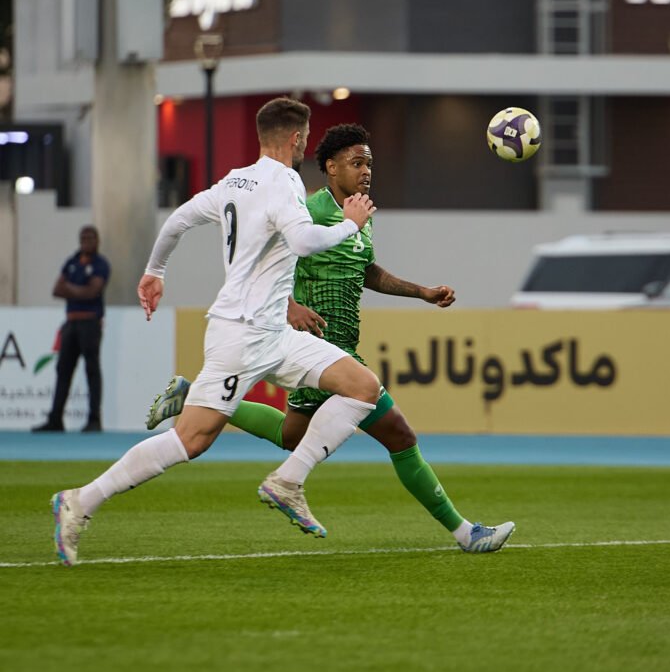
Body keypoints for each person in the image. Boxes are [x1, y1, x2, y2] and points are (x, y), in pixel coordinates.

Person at [148, 124, 515, 554]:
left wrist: (421, 292)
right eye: (357, 163)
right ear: (331, 167)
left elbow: (366, 269)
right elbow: (261, 263)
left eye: (369, 163)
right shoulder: (309, 210)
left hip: (335, 349)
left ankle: (192, 396)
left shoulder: (359, 214)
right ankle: (466, 533)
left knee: (290, 435)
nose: (366, 171)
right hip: (320, 351)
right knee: (400, 436)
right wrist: (289, 305)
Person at [50, 97, 381, 567]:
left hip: (274, 332)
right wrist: (350, 224)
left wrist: (155, 271)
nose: (306, 145)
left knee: (362, 387)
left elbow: (178, 220)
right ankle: (80, 500)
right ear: (295, 138)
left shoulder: (234, 181)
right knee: (191, 440)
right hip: (242, 336)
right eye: (305, 138)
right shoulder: (284, 181)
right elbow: (305, 241)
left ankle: (288, 481)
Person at [33, 225, 110, 433]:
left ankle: (94, 419)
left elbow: (93, 292)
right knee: (63, 370)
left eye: (90, 238)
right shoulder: (72, 262)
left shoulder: (101, 264)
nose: (86, 241)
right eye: (83, 238)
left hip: (90, 322)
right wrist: (79, 290)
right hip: (70, 323)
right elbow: (56, 289)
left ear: (97, 241)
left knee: (92, 370)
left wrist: (70, 289)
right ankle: (55, 419)